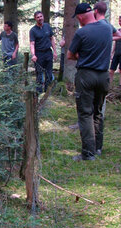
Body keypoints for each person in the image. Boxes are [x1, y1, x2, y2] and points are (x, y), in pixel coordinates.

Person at [68, 2, 112, 161]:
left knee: (86, 113)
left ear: (80, 17)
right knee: (98, 112)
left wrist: (83, 56)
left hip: (86, 75)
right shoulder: (107, 28)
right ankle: (98, 148)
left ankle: (88, 153)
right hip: (103, 76)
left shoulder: (82, 32)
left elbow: (70, 55)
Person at [29, 11, 57, 93]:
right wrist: (33, 55)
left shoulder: (47, 26)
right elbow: (32, 43)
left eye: (41, 16)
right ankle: (39, 91)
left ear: (43, 17)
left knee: (49, 72)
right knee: (39, 73)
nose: (39, 18)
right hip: (39, 54)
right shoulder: (33, 30)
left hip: (48, 52)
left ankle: (47, 91)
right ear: (35, 19)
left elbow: (52, 39)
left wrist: (55, 52)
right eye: (37, 17)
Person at [110, 16, 121, 87]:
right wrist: (112, 52)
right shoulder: (118, 31)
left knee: (120, 71)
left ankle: (120, 86)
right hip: (116, 54)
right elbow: (115, 43)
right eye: (119, 21)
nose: (119, 22)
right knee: (111, 70)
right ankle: (108, 85)